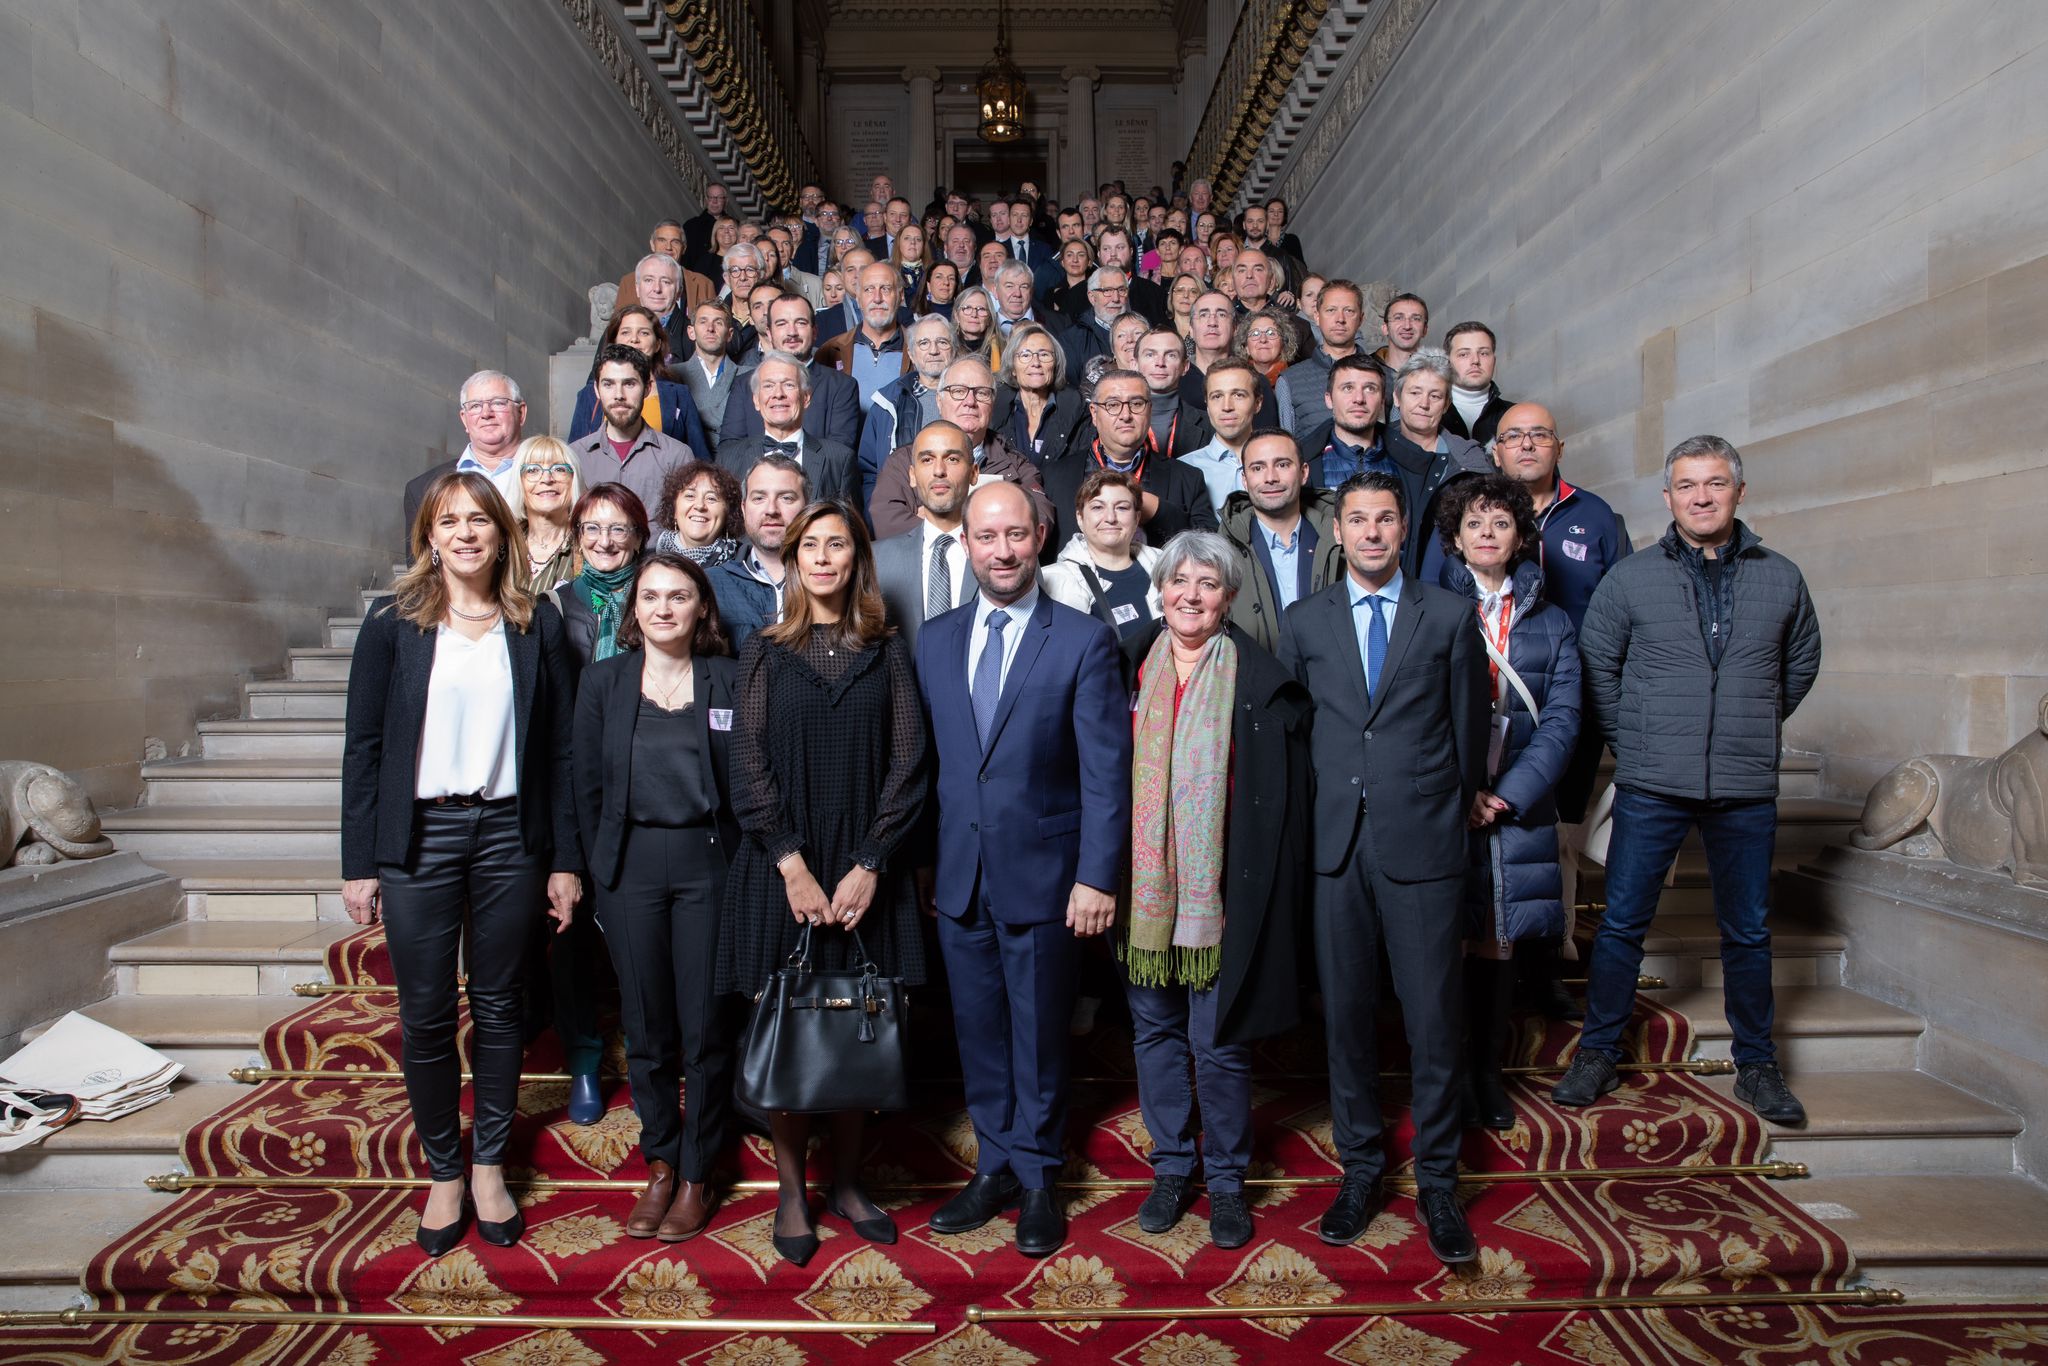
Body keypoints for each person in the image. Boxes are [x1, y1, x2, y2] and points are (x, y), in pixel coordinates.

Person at [343, 471, 582, 1256]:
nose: (467, 533)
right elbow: (365, 751)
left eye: (481, 520)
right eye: (451, 522)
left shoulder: (534, 622)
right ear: (430, 534)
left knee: (504, 1003)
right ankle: (444, 1171)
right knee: (425, 1013)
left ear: (502, 533)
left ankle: (488, 1167)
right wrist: (361, 862)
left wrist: (562, 858)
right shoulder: (392, 625)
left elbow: (558, 748)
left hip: (512, 834)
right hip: (421, 837)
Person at [1554, 437, 1823, 1129]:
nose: (1701, 496)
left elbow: (1797, 667)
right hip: (1652, 780)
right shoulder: (1631, 578)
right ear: (1667, 497)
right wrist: (1638, 740)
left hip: (1744, 782)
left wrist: (1749, 725)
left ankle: (1757, 1064)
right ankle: (1598, 1051)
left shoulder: (1782, 576)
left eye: (1715, 483)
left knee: (1748, 930)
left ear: (1739, 491)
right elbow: (1598, 669)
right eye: (1686, 485)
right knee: (1619, 924)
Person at [1278, 470, 1490, 1266]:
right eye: (1357, 520)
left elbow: (1469, 736)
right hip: (1335, 851)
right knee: (1346, 1021)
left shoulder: (1448, 615)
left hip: (1424, 845)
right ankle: (1362, 1171)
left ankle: (1439, 1181)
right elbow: (1295, 739)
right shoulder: (1304, 621)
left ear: (1406, 531)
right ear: (1339, 531)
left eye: (1385, 520)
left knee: (1434, 1022)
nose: (1370, 533)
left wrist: (1444, 809)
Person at [917, 481, 1132, 1258]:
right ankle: (997, 1163)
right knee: (977, 1032)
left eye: (1015, 535)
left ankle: (1042, 1176)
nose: (1002, 551)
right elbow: (934, 767)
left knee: (1039, 1035)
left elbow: (1108, 773)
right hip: (961, 879)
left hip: (1048, 879)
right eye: (986, 536)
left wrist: (1097, 876)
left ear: (1040, 537)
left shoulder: (1082, 640)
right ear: (965, 544)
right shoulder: (934, 640)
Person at [717, 500, 929, 1266]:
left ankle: (847, 1181)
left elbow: (910, 763)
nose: (824, 557)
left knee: (856, 1026)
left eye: (838, 544)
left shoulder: (888, 648)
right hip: (786, 868)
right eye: (811, 545)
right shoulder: (766, 651)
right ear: (795, 556)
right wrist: (791, 862)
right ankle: (791, 1192)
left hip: (867, 865)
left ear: (856, 558)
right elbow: (747, 764)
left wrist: (872, 861)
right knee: (789, 1027)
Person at [1114, 530, 1313, 1249]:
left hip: (1222, 894)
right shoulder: (1128, 662)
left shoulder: (1260, 679)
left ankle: (1226, 1180)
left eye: (1206, 584)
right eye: (1179, 582)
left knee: (1218, 1040)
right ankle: (1172, 1167)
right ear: (1159, 590)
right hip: (1142, 891)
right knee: (1155, 1030)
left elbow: (1282, 803)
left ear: (1228, 598)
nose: (1190, 596)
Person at [572, 552, 739, 1242]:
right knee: (647, 1028)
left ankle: (699, 1172)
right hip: (629, 866)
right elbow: (584, 786)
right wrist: (589, 873)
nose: (664, 608)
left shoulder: (729, 678)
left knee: (705, 1028)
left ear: (701, 607)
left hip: (709, 864)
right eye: (651, 597)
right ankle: (662, 1161)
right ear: (633, 610)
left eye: (679, 596)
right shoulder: (604, 682)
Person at [1433, 475, 1581, 1131]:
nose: (1487, 534)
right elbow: (1417, 714)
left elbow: (1563, 720)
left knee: (1497, 942)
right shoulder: (1431, 608)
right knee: (1448, 942)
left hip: (1517, 806)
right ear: (1455, 539)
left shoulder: (1553, 623)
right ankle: (1450, 1075)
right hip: (1446, 802)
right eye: (1474, 524)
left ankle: (1488, 1075)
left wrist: (1505, 797)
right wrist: (1461, 793)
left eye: (1500, 523)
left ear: (1520, 536)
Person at [1490, 402, 1632, 1012]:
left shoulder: (1594, 516)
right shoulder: (1478, 513)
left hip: (1576, 697)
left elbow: (1627, 604)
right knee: (1502, 825)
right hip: (1495, 701)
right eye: (1513, 436)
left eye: (1538, 435)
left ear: (1559, 446)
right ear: (1495, 450)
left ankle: (1554, 955)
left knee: (1556, 833)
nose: (1526, 445)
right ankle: (1493, 960)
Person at [869, 356, 1052, 539]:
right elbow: (888, 527)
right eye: (958, 391)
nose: (970, 401)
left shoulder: (1017, 466)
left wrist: (940, 522)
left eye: (981, 393)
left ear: (993, 404)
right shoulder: (903, 461)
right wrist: (993, 529)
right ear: (939, 401)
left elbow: (1038, 525)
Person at [1043, 368, 1216, 557]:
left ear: (1150, 410)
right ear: (1094, 413)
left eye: (1136, 403)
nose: (1126, 415)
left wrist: (1158, 511)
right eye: (1113, 405)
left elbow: (1209, 553)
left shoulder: (1189, 478)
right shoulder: (1053, 477)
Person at [1221, 431, 1343, 652]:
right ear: (1245, 480)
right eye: (1258, 468)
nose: (1270, 477)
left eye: (1283, 465)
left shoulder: (1340, 539)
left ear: (1304, 473)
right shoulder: (1222, 549)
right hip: (1259, 680)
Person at [1385, 348, 1492, 581]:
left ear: (1445, 405)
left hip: (1444, 587)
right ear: (1397, 397)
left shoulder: (1469, 461)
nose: (1424, 404)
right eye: (1415, 392)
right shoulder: (1374, 450)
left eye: (1435, 396)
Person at [873, 420, 978, 652]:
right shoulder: (876, 560)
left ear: (974, 472)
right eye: (927, 459)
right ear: (912, 475)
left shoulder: (1004, 554)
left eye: (952, 459)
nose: (939, 470)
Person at [403, 371, 526, 559]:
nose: (486, 413)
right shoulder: (421, 488)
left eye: (498, 403)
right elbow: (420, 569)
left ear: (521, 412)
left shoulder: (555, 478)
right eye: (475, 406)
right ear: (464, 418)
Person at [721, 294, 863, 451]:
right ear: (769, 333)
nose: (792, 332)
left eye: (800, 323)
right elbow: (729, 451)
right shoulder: (743, 384)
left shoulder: (842, 386)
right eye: (781, 324)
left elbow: (839, 456)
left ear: (815, 331)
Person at [566, 308, 712, 457]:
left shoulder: (678, 394)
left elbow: (700, 458)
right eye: (625, 332)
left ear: (657, 344)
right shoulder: (589, 394)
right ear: (613, 341)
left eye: (644, 333)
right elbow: (574, 457)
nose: (634, 339)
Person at [716, 350, 858, 503]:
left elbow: (849, 523)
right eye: (769, 386)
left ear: (806, 398)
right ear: (756, 400)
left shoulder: (839, 460)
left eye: (789, 385)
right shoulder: (728, 459)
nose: (778, 394)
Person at [569, 345, 694, 517]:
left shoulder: (677, 456)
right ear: (597, 390)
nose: (619, 395)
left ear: (647, 388)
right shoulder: (573, 456)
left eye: (629, 384)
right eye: (608, 384)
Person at [1040, 468, 1163, 639]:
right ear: (1080, 518)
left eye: (1122, 508)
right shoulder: (1054, 581)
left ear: (1136, 518)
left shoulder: (1166, 567)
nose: (1110, 518)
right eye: (1098, 507)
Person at [707, 456, 809, 645]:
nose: (771, 510)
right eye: (759, 498)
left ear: (807, 508)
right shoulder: (711, 584)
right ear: (744, 509)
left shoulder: (829, 581)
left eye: (786, 498)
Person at [1275, 279, 1369, 434]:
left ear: (1361, 319)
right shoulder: (1289, 381)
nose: (1340, 319)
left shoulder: (1385, 376)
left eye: (1349, 311)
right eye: (1331, 310)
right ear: (1317, 317)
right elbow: (1287, 448)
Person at [1179, 359, 1264, 518]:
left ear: (1257, 403)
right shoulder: (1184, 470)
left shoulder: (1282, 464)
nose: (1226, 406)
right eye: (1217, 396)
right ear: (1207, 404)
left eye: (1238, 395)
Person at [992, 322, 1086, 466]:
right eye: (1025, 355)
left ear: (1055, 365)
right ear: (1012, 368)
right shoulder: (994, 409)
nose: (1035, 362)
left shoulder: (1078, 410)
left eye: (1044, 354)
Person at [508, 436, 583, 591]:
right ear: (519, 482)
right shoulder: (502, 544)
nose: (547, 479)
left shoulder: (590, 546)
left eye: (559, 469)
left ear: (573, 480)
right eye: (533, 470)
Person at [614, 221, 717, 320]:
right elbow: (617, 327)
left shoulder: (704, 284)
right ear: (652, 245)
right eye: (662, 240)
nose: (668, 247)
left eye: (675, 242)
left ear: (684, 248)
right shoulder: (628, 282)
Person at [651, 459, 744, 568]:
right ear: (674, 510)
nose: (700, 506)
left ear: (728, 513)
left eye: (711, 498)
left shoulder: (743, 565)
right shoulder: (651, 565)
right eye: (690, 496)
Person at [678, 301, 740, 453]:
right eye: (703, 321)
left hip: (734, 460)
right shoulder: (672, 375)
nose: (710, 329)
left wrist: (694, 417)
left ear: (730, 334)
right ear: (691, 332)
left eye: (718, 323)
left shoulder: (749, 375)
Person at [1442, 322, 1514, 446]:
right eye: (1463, 354)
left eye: (1483, 353)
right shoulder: (1430, 413)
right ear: (1447, 362)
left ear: (1494, 361)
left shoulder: (1514, 414)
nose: (1475, 361)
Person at [1373, 292, 1430, 391]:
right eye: (1398, 318)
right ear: (1385, 328)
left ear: (1425, 330)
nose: (1407, 326)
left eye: (1416, 319)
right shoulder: (1364, 369)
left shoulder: (1438, 372)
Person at [1236, 306, 1301, 386]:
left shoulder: (1297, 380)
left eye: (1271, 333)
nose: (1263, 339)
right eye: (1255, 334)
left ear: (1283, 343)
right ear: (1246, 346)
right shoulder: (1236, 381)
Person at [950, 285, 1000, 368]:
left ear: (989, 317)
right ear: (956, 315)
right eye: (967, 308)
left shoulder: (1002, 348)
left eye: (981, 309)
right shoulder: (947, 347)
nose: (974, 315)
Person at [890, 222, 930, 300]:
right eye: (907, 238)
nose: (913, 242)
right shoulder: (888, 270)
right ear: (898, 243)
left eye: (918, 239)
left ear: (923, 245)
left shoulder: (933, 272)